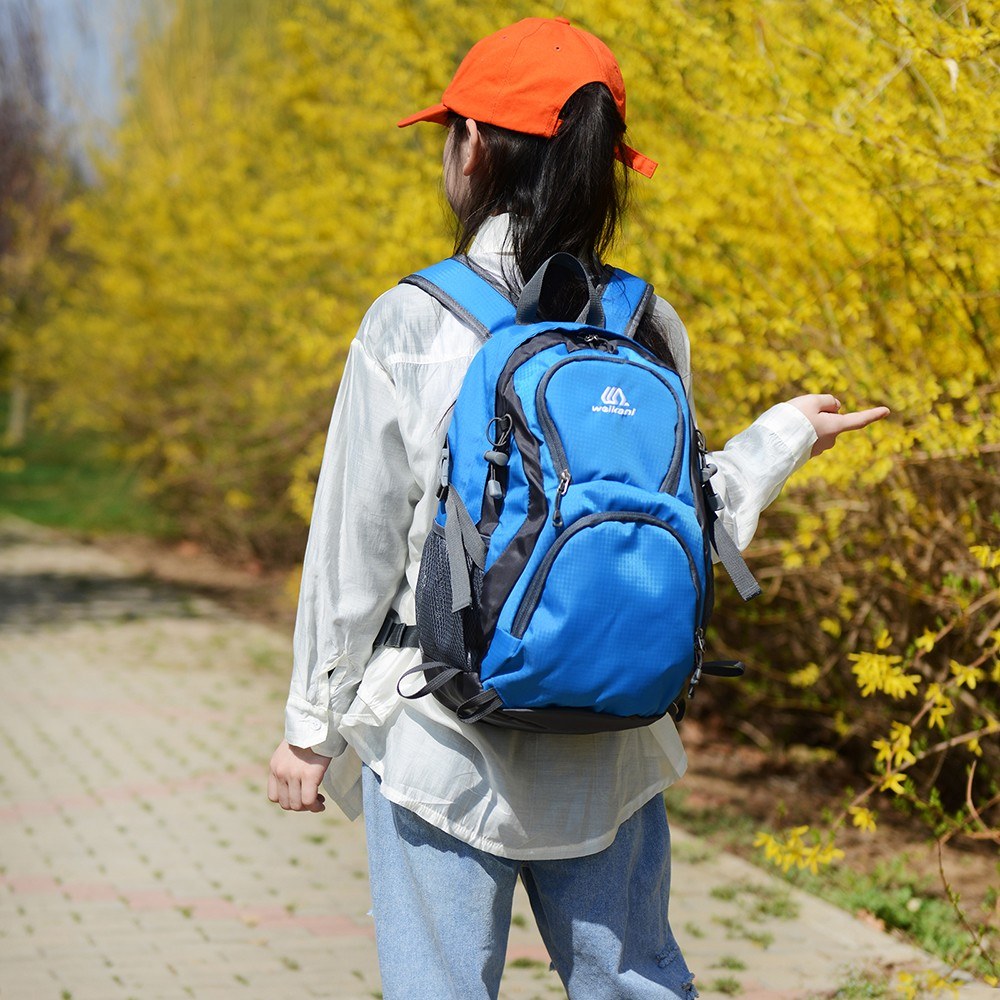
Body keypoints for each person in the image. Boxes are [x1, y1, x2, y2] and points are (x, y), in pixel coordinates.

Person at [267, 16, 889, 999]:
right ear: (606, 166)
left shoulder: (413, 320)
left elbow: (357, 540)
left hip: (441, 733)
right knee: (635, 984)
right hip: (613, 738)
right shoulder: (645, 321)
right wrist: (781, 438)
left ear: (473, 145)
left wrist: (312, 727)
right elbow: (684, 524)